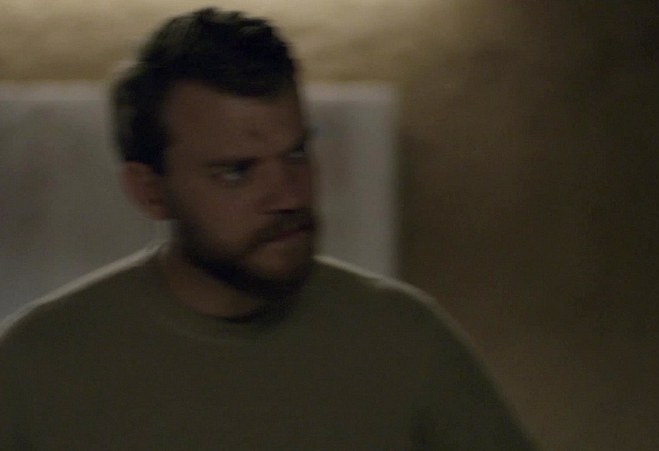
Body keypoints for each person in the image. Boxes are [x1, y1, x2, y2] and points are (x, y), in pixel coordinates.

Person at [0, 7, 535, 450]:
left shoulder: (405, 339)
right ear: (150, 191)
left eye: (297, 153)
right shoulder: (35, 368)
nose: (290, 196)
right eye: (237, 171)